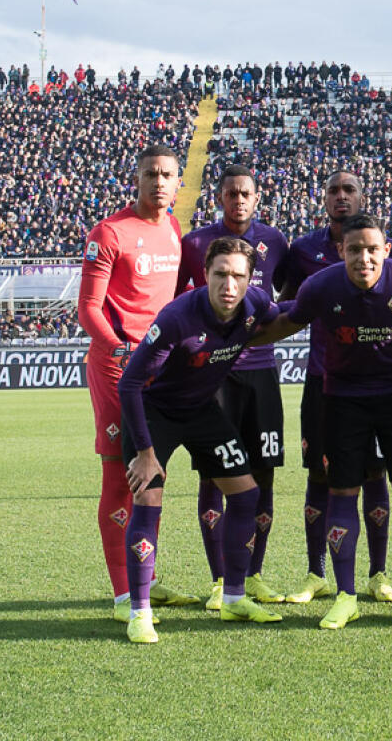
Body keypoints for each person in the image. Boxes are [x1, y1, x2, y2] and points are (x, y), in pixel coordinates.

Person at [253, 214, 392, 630]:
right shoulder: (320, 286)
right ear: (340, 251)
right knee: (341, 492)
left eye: (372, 249)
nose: (364, 258)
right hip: (342, 402)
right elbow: (286, 322)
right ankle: (346, 596)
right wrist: (232, 339)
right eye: (354, 249)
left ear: (387, 250)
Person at [117, 237, 285, 642]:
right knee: (148, 501)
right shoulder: (177, 317)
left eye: (238, 276)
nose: (229, 284)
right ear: (205, 274)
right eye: (220, 274)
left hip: (201, 410)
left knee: (246, 495)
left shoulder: (256, 303)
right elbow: (130, 383)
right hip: (155, 412)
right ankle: (139, 612)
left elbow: (280, 315)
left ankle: (233, 598)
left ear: (250, 279)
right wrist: (145, 453)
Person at [77, 144, 199, 625]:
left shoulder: (172, 228)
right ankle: (123, 592)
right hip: (118, 369)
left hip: (162, 368)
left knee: (153, 475)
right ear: (138, 179)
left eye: (168, 175)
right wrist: (121, 350)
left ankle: (144, 577)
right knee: (119, 476)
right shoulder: (109, 232)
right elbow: (89, 308)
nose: (160, 182)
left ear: (178, 183)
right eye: (152, 174)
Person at [280, 170, 392, 604]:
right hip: (323, 380)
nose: (341, 196)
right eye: (333, 190)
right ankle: (316, 573)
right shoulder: (303, 250)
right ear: (324, 198)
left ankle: (378, 573)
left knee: (375, 473)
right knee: (319, 473)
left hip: (378, 382)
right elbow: (287, 304)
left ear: (362, 196)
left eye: (349, 190)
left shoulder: (385, 245)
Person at [175, 164, 290, 609]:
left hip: (262, 373)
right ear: (219, 197)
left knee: (264, 475)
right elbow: (178, 298)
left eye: (246, 194)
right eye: (231, 194)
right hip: (213, 374)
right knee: (213, 476)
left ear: (257, 198)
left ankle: (253, 574)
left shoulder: (275, 241)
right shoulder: (195, 243)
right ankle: (221, 579)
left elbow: (286, 293)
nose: (239, 200)